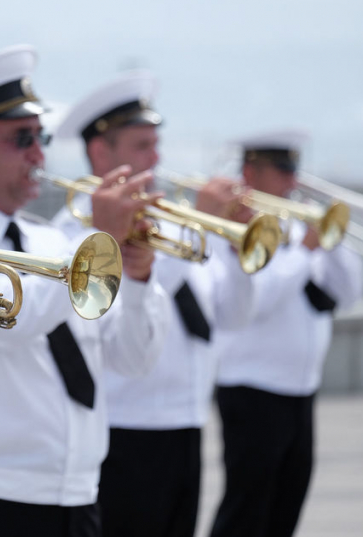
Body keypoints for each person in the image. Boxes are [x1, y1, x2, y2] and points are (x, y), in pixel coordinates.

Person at [0, 46, 169, 537]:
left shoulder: (54, 242)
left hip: (80, 495)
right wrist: (102, 241)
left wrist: (136, 279)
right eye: (21, 138)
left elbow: (132, 359)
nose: (38, 154)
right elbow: (16, 319)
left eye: (41, 136)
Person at [52, 70, 255, 537]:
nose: (156, 158)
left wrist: (240, 249)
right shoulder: (73, 232)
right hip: (123, 430)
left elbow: (233, 316)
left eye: (156, 144)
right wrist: (203, 222)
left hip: (186, 425)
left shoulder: (174, 229)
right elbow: (129, 286)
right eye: (142, 145)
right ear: (102, 152)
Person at [208, 134, 363, 537]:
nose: (291, 180)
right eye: (282, 170)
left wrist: (332, 241)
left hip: (300, 390)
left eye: (293, 170)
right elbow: (257, 299)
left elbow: (348, 294)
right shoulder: (238, 226)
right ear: (249, 172)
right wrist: (307, 252)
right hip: (252, 389)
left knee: (286, 508)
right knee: (246, 512)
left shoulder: (299, 226)